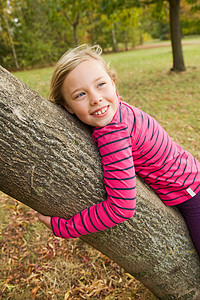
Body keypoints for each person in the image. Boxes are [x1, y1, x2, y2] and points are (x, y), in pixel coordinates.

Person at [38, 44, 200, 256]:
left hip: (191, 191)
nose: (96, 98)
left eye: (101, 84)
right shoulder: (119, 111)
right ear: (67, 107)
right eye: (80, 95)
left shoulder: (114, 134)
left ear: (113, 83)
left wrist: (66, 228)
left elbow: (121, 207)